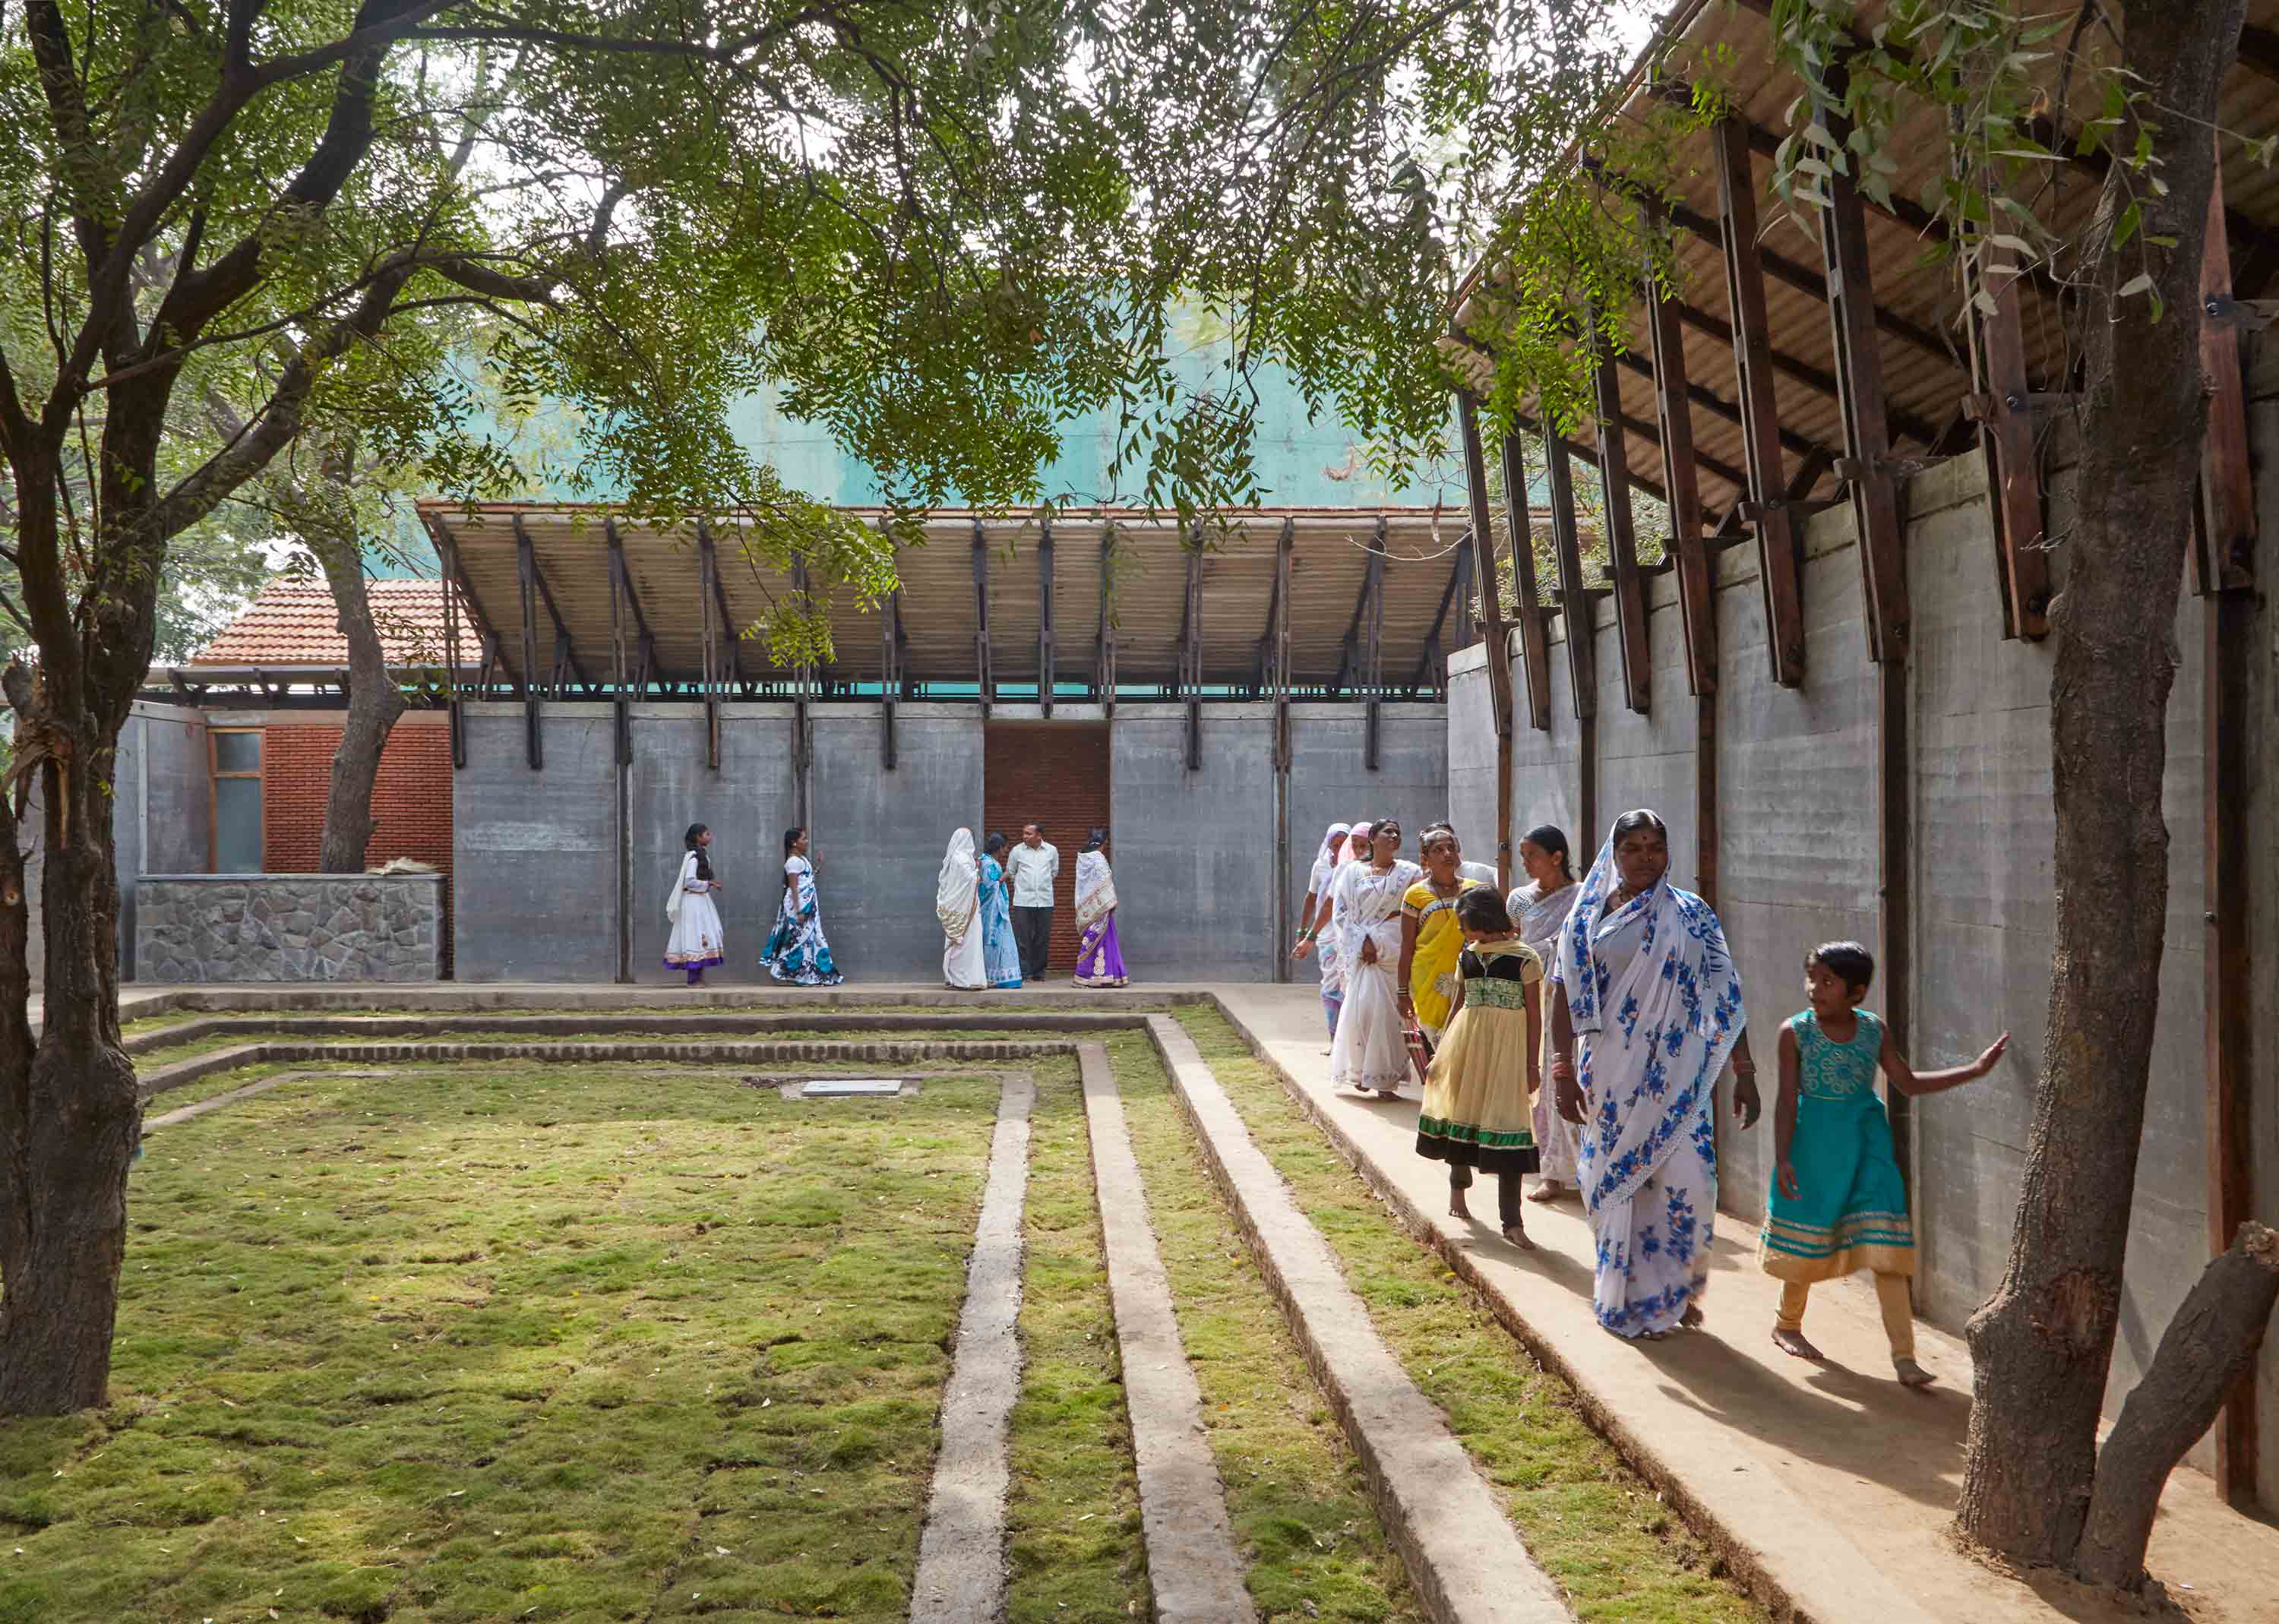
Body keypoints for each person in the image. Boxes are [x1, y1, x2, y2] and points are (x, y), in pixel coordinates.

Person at [1548, 810, 1760, 1340]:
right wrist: (1560, 1068)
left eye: (1655, 847)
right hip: (1612, 1073)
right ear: (1613, 855)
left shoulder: (1692, 914)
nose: (1646, 858)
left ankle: (1673, 1292)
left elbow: (1725, 993)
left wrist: (1744, 1068)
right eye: (1634, 848)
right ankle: (1625, 1297)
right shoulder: (1587, 917)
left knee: (1690, 1182)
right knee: (1620, 1183)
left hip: (1679, 1075)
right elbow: (1562, 992)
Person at [1763, 941, 2009, 1387]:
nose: (1814, 989)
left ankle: (1904, 1358)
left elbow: (1907, 1084)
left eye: (1827, 981)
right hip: (1814, 1149)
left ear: (1856, 992)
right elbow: (1785, 1100)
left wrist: (1974, 1070)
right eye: (1812, 978)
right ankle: (1787, 1324)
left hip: (1867, 1148)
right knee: (1810, 1237)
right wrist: (1782, 1157)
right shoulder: (1794, 1033)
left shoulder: (1874, 1030)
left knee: (1888, 1247)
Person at [1415, 889, 1543, 1249]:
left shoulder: (1524, 958)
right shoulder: (1467, 956)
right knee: (1460, 1116)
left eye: (1464, 922)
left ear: (1482, 919)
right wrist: (1441, 1053)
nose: (1461, 929)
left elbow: (1534, 1015)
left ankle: (1512, 1222)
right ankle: (1458, 1190)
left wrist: (1531, 1064)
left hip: (1508, 1053)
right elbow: (1458, 1006)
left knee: (1508, 1126)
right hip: (1467, 1047)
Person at [1508, 825, 1584, 1202]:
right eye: (1522, 856)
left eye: (1532, 855)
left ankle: (1586, 1172)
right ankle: (1550, 1171)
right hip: (1534, 998)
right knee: (1542, 1082)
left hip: (1573, 1003)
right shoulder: (1520, 899)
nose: (1525, 863)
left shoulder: (1583, 897)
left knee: (1575, 1079)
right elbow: (1513, 943)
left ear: (1557, 857)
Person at [1330, 818, 1421, 1100]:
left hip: (1394, 953)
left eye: (1398, 833)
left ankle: (1385, 1081)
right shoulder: (1352, 872)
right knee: (1362, 1012)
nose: (1394, 836)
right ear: (1373, 838)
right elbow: (1341, 912)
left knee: (1390, 1018)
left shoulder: (1409, 873)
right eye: (1388, 832)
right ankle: (1360, 1073)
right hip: (1362, 954)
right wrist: (1363, 941)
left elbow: (1415, 909)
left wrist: (1382, 939)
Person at [1398, 823, 1484, 1046]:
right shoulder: (1415, 895)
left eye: (1451, 848)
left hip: (1469, 976)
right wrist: (1402, 993)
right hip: (1428, 978)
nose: (1447, 854)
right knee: (1435, 1044)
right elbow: (1407, 946)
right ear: (1425, 858)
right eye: (1438, 850)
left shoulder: (1474, 890)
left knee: (1466, 1042)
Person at [761, 826, 844, 986]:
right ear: (794, 842)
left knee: (809, 942)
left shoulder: (802, 860)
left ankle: (805, 975)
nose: (806, 841)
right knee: (798, 942)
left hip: (808, 908)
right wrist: (799, 911)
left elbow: (807, 879)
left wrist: (819, 866)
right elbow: (794, 888)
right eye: (803, 838)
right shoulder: (793, 862)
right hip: (799, 908)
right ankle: (782, 972)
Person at [1291, 822, 1352, 1040]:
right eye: (1335, 845)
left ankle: (1348, 1041)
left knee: (1349, 986)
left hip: (1349, 933)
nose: (1339, 849)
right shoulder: (1321, 866)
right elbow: (1312, 898)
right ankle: (1334, 1037)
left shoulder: (1355, 866)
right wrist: (1303, 931)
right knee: (1330, 984)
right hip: (1326, 933)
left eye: (1343, 844)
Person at [662, 822, 725, 985]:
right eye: (707, 834)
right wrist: (708, 884)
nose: (710, 837)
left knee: (707, 935)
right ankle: (693, 979)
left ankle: (699, 976)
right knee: (695, 936)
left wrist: (708, 884)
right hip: (693, 902)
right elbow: (689, 881)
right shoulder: (693, 858)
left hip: (701, 900)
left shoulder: (701, 855)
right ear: (698, 837)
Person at [1071, 829, 1130, 987]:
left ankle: (1106, 976)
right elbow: (1105, 880)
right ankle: (1083, 975)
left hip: (1087, 906)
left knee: (1097, 938)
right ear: (1105, 842)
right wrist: (1112, 901)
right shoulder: (1098, 858)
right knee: (1099, 938)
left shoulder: (1082, 858)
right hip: (1101, 903)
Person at [1005, 822, 1059, 981]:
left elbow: (1054, 872)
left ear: (1039, 835)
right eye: (1024, 833)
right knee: (1023, 938)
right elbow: (1011, 871)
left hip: (1045, 901)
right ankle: (1024, 972)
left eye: (1028, 833)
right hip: (1022, 901)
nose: (1024, 836)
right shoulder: (1017, 851)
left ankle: (1039, 973)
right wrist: (1022, 885)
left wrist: (1042, 884)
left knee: (1042, 938)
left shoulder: (1052, 851)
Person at [937, 829, 988, 990]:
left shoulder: (956, 857)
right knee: (967, 942)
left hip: (963, 905)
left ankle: (960, 978)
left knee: (962, 943)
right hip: (966, 908)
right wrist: (978, 868)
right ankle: (965, 979)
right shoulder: (962, 859)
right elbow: (972, 880)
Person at [978, 833, 1023, 989]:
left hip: (997, 910)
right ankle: (994, 976)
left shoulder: (989, 861)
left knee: (1001, 942)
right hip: (992, 912)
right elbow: (989, 886)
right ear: (999, 848)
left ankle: (1000, 976)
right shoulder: (987, 863)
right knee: (995, 942)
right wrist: (1005, 876)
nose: (1006, 851)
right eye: (1005, 847)